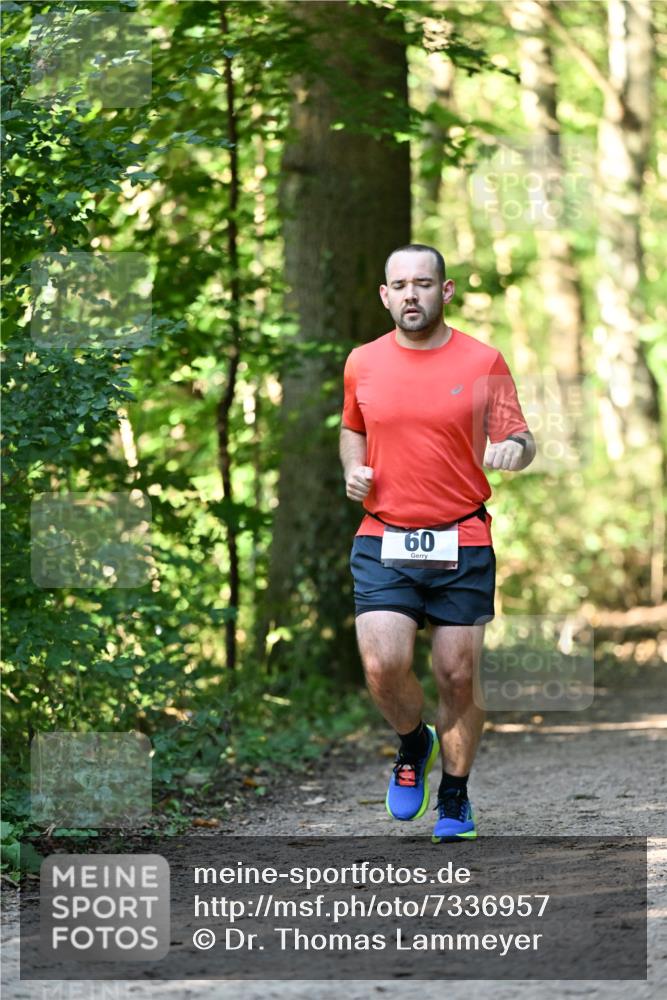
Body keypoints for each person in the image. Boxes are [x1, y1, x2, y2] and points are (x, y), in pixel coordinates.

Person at [339, 244, 536, 842]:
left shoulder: (483, 360)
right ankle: (412, 740)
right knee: (382, 665)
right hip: (384, 536)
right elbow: (353, 428)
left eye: (423, 284)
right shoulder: (362, 362)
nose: (411, 295)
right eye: (399, 285)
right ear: (385, 295)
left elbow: (521, 438)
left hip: (461, 538)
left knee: (457, 674)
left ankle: (454, 795)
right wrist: (353, 470)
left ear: (444, 292)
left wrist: (513, 450)